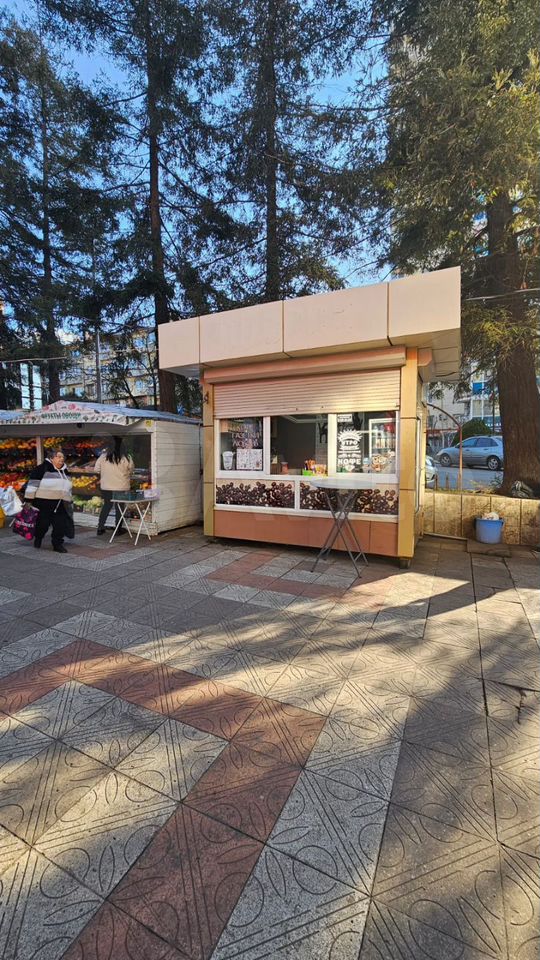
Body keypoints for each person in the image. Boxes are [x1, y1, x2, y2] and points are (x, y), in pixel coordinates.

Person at [25, 448, 72, 553]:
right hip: (43, 503)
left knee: (60, 525)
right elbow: (32, 485)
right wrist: (28, 501)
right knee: (42, 525)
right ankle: (38, 537)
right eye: (58, 457)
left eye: (63, 457)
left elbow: (68, 487)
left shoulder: (65, 471)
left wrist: (69, 499)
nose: (62, 459)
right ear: (51, 458)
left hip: (60, 503)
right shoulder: (41, 469)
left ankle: (57, 544)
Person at [94, 437, 134, 535]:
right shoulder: (126, 457)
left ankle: (100, 527)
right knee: (119, 508)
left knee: (107, 506)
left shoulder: (103, 456)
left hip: (106, 487)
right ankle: (118, 529)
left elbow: (96, 470)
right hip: (121, 487)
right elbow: (131, 470)